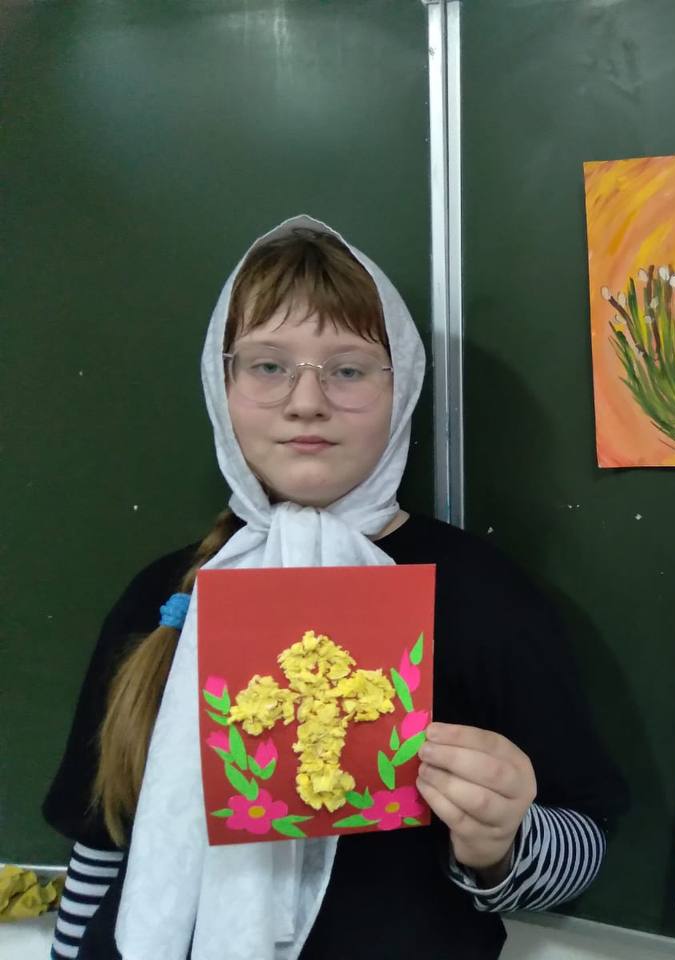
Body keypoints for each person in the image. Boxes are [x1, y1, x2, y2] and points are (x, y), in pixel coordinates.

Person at [42, 215, 627, 960]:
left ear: (401, 386)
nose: (306, 401)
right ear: (222, 384)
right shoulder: (165, 590)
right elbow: (100, 845)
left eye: (349, 370)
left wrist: (503, 844)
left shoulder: (486, 597)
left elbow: (582, 847)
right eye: (267, 366)